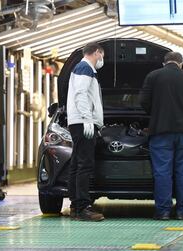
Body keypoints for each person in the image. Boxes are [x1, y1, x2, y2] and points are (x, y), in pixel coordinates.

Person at [140, 52, 183, 220]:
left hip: (161, 131)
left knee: (162, 172)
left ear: (164, 63)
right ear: (180, 63)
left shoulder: (153, 76)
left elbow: (143, 101)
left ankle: (163, 211)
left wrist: (155, 113)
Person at [66, 42, 105, 221]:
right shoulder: (85, 67)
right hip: (83, 122)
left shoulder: (82, 68)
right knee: (84, 165)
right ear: (96, 52)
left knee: (76, 164)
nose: (101, 60)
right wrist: (87, 118)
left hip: (79, 122)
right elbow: (80, 94)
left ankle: (75, 205)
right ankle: (82, 207)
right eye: (102, 56)